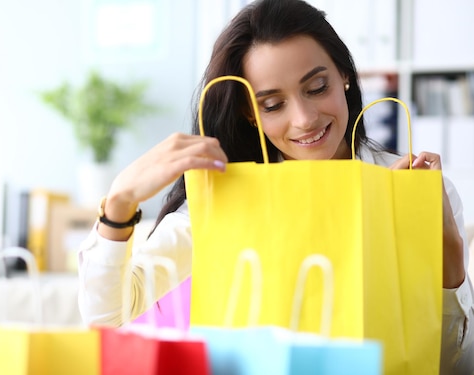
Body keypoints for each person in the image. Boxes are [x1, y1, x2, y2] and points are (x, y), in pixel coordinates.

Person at [77, 0, 473, 373]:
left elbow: (451, 363)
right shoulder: (226, 199)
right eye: (272, 104)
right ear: (251, 114)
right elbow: (108, 319)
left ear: (345, 77)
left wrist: (450, 254)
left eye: (317, 87)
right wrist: (120, 201)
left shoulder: (415, 187)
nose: (304, 118)